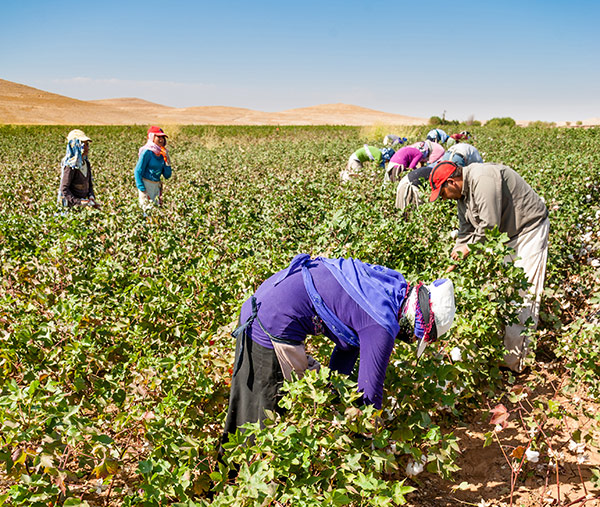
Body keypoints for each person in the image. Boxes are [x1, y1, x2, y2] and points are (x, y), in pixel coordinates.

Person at [221, 254, 456, 443]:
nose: (406, 340)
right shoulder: (382, 325)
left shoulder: (387, 290)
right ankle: (242, 488)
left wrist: (332, 396)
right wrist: (368, 439)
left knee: (252, 404)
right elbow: (369, 399)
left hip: (264, 299)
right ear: (414, 323)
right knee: (262, 419)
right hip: (269, 322)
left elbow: (346, 350)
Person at [428, 161, 550, 372]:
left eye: (443, 192)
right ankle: (499, 352)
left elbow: (489, 226)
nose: (444, 198)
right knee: (501, 293)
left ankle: (516, 363)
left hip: (528, 229)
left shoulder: (482, 178)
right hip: (506, 236)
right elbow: (466, 231)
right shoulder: (462, 195)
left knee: (523, 294)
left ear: (451, 182)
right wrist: (455, 255)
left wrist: (467, 250)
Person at [58, 129, 100, 209]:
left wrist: (91, 197)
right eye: (82, 145)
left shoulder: (86, 164)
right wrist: (78, 202)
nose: (86, 148)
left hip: (82, 207)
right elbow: (64, 189)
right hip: (71, 207)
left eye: (87, 145)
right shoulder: (70, 166)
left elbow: (89, 184)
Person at [134, 126, 172, 209]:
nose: (161, 139)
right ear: (152, 137)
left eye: (163, 137)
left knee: (157, 211)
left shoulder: (163, 153)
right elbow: (138, 171)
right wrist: (142, 189)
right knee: (147, 210)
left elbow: (167, 175)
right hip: (146, 185)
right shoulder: (147, 152)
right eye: (158, 137)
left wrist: (167, 161)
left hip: (156, 186)